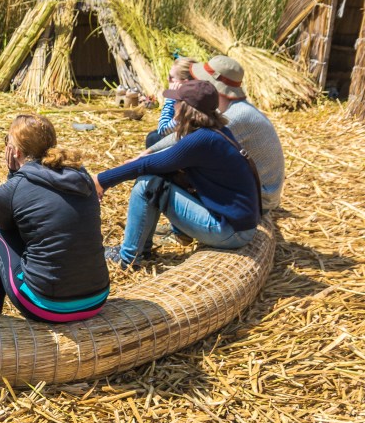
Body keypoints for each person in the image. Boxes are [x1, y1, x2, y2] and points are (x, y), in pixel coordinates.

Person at [96, 80, 261, 269]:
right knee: (158, 178)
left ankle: (127, 259)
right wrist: (139, 161)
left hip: (232, 232)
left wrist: (100, 181)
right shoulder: (215, 132)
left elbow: (148, 166)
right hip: (239, 225)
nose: (173, 105)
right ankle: (141, 249)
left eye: (176, 102)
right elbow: (159, 163)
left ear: (186, 108)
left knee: (147, 185)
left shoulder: (201, 140)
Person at [0, 115, 110, 322]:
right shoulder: (81, 175)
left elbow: (6, 225)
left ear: (15, 151)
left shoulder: (11, 190)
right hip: (97, 298)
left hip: (49, 305)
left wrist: (12, 175)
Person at [147, 55, 284, 212]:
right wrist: (150, 151)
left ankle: (182, 228)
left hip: (260, 199)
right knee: (157, 143)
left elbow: (189, 144)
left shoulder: (236, 116)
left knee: (177, 161)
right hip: (257, 190)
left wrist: (145, 159)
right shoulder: (231, 108)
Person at [145, 56, 196, 148]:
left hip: (187, 146)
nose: (168, 79)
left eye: (171, 77)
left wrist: (170, 98)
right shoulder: (200, 94)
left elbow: (163, 129)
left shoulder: (188, 105)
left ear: (184, 82)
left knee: (153, 138)